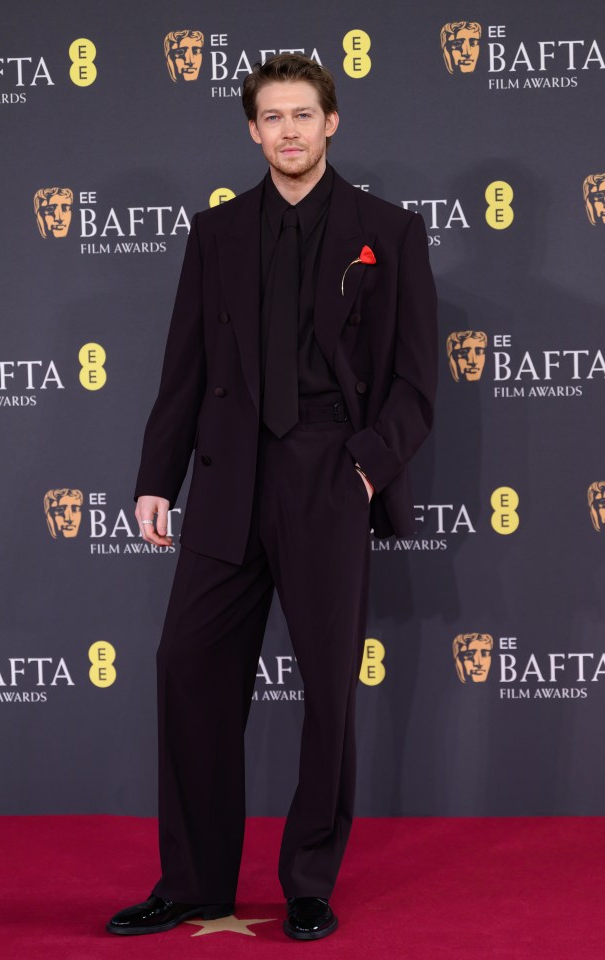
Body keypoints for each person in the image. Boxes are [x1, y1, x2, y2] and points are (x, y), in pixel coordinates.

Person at [107, 53, 437, 941]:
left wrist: (365, 465)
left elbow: (414, 384)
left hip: (328, 475)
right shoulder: (213, 235)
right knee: (188, 669)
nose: (288, 131)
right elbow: (183, 373)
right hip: (225, 475)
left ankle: (307, 882)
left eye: (303, 115)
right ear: (251, 132)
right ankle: (193, 881)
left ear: (332, 122)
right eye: (271, 118)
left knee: (329, 688)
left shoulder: (389, 232)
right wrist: (153, 479)